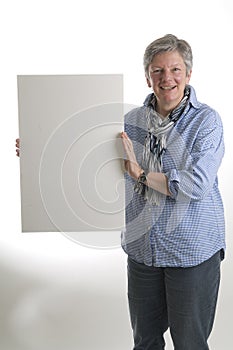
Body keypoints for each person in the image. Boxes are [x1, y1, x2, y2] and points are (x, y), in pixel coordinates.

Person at [120, 34, 225, 350]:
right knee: (145, 342)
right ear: (147, 75)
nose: (167, 78)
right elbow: (93, 161)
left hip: (190, 253)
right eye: (158, 70)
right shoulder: (130, 121)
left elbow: (195, 184)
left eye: (175, 70)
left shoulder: (206, 122)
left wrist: (140, 174)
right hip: (143, 253)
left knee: (189, 343)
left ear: (188, 74)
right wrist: (36, 147)